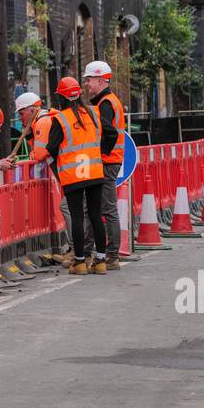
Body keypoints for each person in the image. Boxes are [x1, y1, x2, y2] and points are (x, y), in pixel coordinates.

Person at [46, 77, 107, 275]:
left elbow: (51, 147)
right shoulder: (94, 113)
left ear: (61, 97)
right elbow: (113, 133)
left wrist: (62, 159)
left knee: (77, 217)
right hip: (95, 172)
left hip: (73, 175)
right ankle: (101, 260)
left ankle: (79, 262)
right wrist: (100, 152)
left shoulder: (60, 119)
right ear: (79, 94)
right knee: (97, 215)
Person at [17, 91, 73, 260]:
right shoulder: (44, 120)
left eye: (21, 113)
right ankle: (79, 250)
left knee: (68, 207)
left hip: (70, 172)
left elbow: (38, 154)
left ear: (32, 109)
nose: (20, 118)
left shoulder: (43, 122)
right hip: (71, 172)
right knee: (72, 208)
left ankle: (78, 251)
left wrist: (30, 143)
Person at [83, 60, 125, 270]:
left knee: (107, 209)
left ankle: (112, 255)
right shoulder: (107, 102)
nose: (87, 84)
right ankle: (102, 253)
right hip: (109, 160)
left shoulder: (106, 103)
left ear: (101, 80)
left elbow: (108, 133)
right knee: (99, 208)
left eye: (89, 80)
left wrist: (100, 154)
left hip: (108, 162)